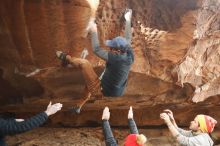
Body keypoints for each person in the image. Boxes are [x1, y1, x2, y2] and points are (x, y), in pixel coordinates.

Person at [56, 9, 134, 114]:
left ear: (118, 51)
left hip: (102, 90)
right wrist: (128, 19)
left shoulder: (116, 59)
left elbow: (96, 49)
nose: (110, 49)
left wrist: (93, 30)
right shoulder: (129, 56)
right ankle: (78, 107)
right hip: (117, 91)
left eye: (112, 48)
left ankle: (66, 58)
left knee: (85, 64)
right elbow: (128, 39)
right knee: (90, 81)